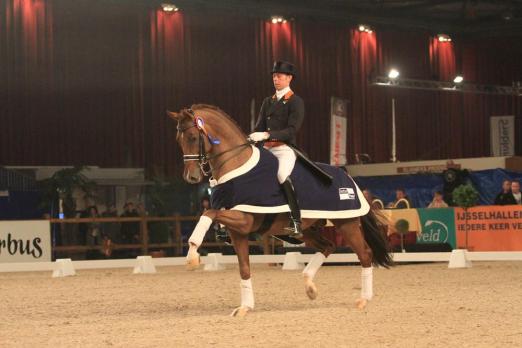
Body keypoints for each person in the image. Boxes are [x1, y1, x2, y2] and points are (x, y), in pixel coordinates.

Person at [249, 61, 305, 237]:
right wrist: (251, 137)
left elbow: (291, 130)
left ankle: (296, 221)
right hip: (265, 149)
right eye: (274, 76)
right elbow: (259, 126)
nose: (276, 79)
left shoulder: (295, 101)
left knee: (281, 175)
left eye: (279, 76)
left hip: (284, 148)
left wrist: (267, 135)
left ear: (289, 78)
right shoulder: (268, 101)